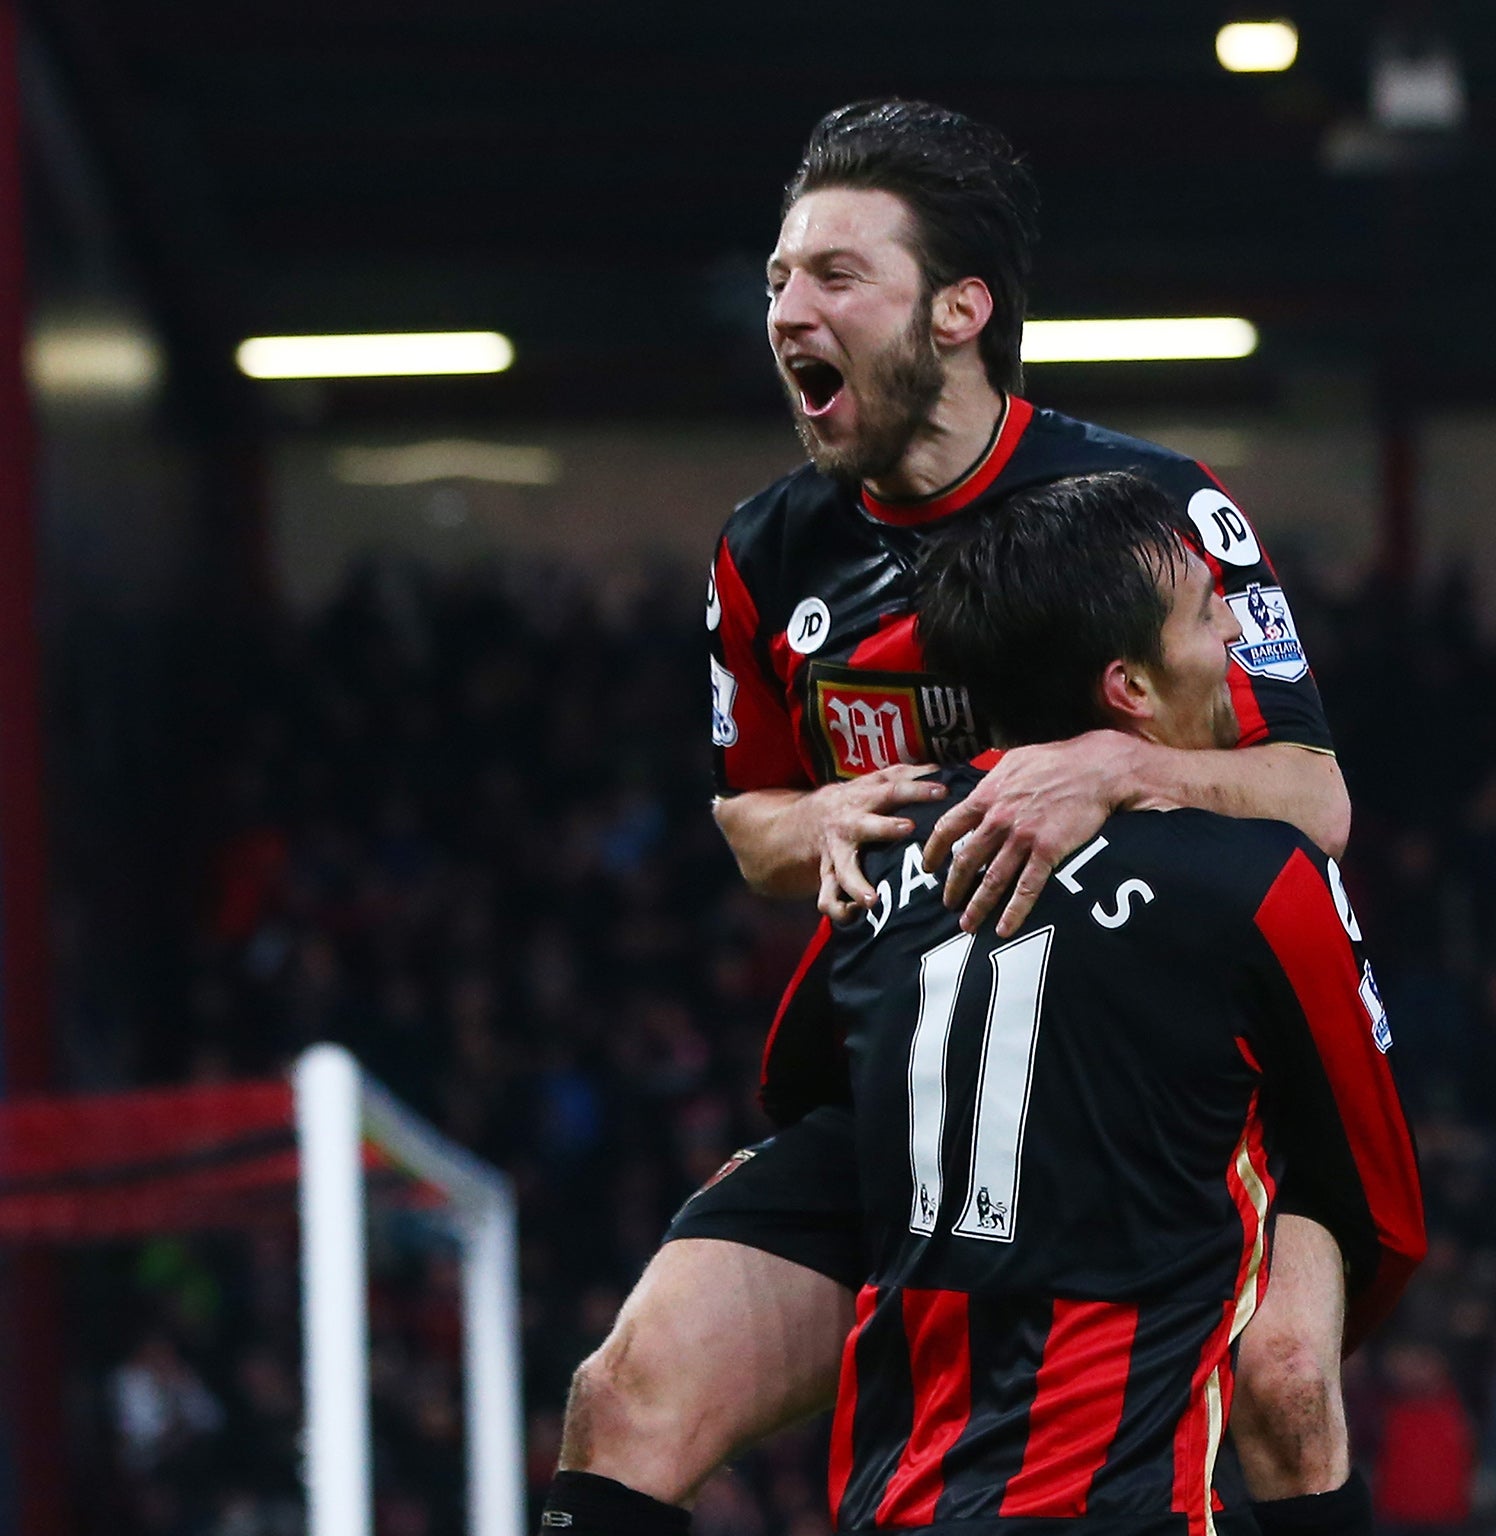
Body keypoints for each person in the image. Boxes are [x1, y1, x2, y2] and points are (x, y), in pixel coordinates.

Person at [542, 101, 1354, 1536]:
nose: (790, 309)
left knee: (1288, 1383)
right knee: (625, 1394)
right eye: (781, 279)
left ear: (961, 311)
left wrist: (1121, 767)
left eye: (838, 276)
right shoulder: (766, 551)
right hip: (919, 1079)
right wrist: (819, 820)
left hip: (1170, 1085)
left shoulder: (1153, 508)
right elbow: (751, 826)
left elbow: (1315, 796)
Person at [808, 472, 1426, 1534]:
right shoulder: (1258, 880)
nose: (1234, 625)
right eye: (1203, 611)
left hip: (888, 1503)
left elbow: (807, 1104)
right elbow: (1377, 1206)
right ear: (1129, 690)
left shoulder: (874, 872)